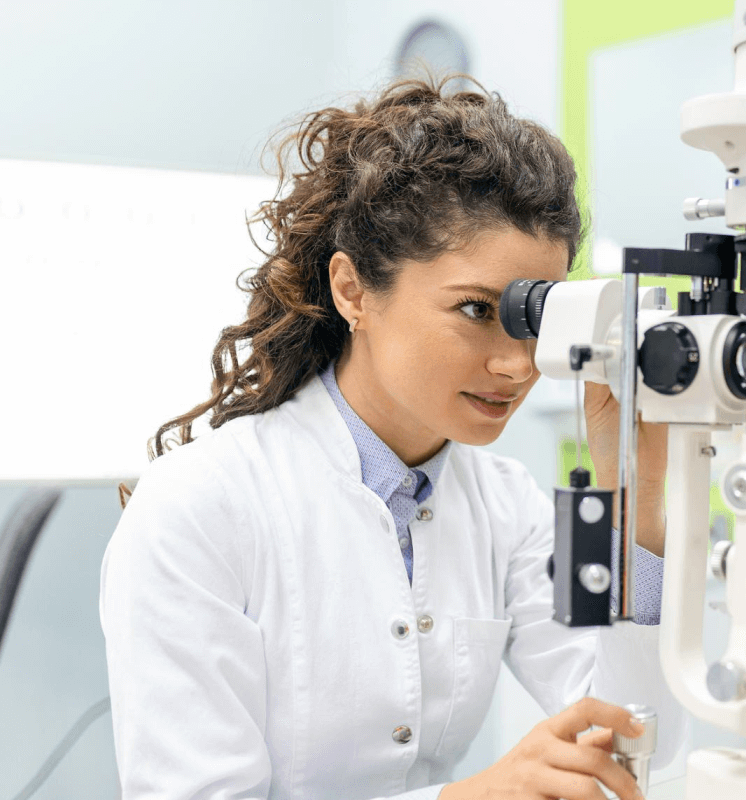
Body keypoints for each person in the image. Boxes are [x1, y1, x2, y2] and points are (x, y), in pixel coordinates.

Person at [100, 77, 677, 800]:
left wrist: (637, 495)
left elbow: (636, 746)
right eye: (476, 310)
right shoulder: (198, 508)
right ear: (353, 291)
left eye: (534, 320)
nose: (517, 364)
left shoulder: (508, 510)